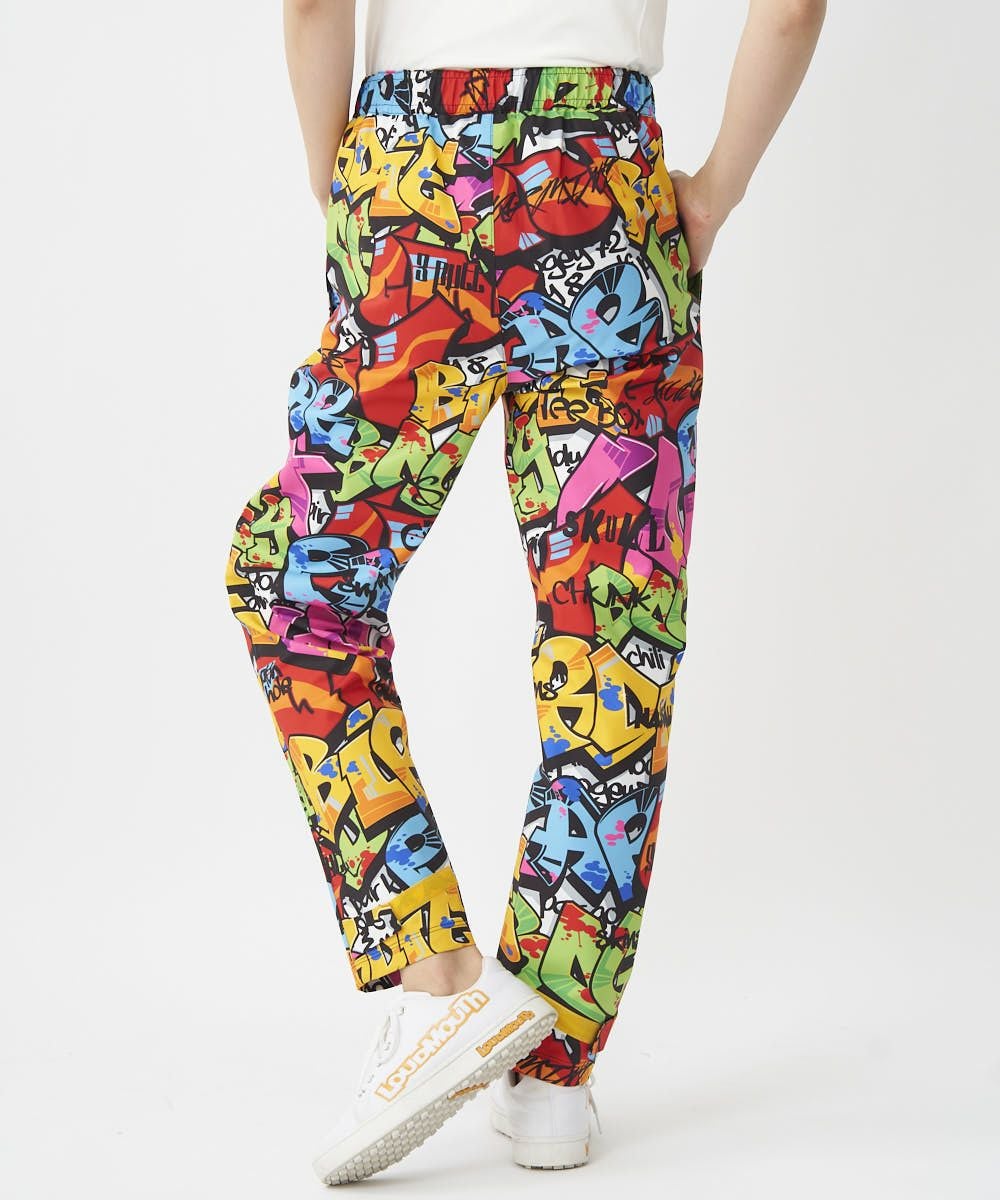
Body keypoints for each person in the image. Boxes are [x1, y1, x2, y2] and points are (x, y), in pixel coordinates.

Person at [223, 0, 826, 1183]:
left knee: (298, 585)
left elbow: (312, 5)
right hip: (606, 186)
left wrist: (342, 182)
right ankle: (552, 1077)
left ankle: (436, 975)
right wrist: (712, 196)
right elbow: (793, 9)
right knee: (611, 646)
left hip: (414, 184)